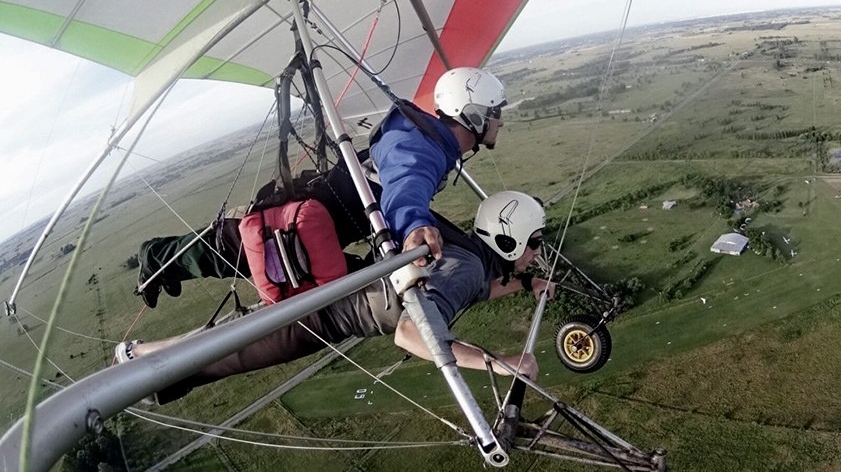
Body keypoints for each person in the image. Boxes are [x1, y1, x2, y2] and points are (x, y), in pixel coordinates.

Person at [115, 191, 553, 404]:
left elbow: (478, 289)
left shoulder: (471, 260)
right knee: (226, 352)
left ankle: (139, 358)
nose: (537, 253)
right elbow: (409, 333)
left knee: (232, 337)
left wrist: (526, 285)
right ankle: (134, 361)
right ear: (509, 239)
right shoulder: (467, 267)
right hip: (324, 316)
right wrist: (499, 363)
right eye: (534, 243)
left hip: (334, 299)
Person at [136, 67, 507, 308]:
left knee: (234, 255)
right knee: (227, 250)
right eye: (496, 113)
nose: (501, 122)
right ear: (474, 115)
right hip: (299, 226)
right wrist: (413, 226)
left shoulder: (431, 142)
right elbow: (405, 185)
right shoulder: (419, 147)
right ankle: (155, 258)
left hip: (325, 227)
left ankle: (166, 264)